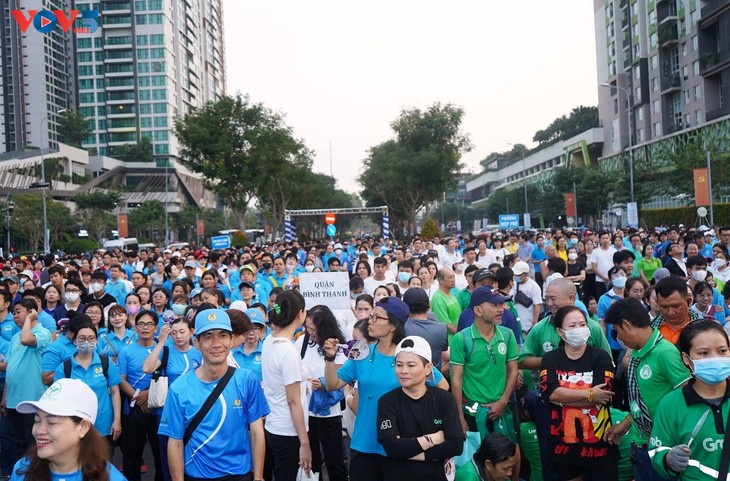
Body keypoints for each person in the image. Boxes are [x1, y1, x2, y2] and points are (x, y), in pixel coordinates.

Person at [323, 296, 448, 481]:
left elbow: (442, 387)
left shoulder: (410, 355)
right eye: (370, 316)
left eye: (376, 317)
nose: (369, 321)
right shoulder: (361, 352)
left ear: (393, 326)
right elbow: (333, 384)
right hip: (363, 443)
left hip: (399, 446)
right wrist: (330, 358)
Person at [159, 308, 269, 481]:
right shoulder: (179, 388)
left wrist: (259, 477)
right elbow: (175, 442)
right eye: (208, 336)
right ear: (197, 343)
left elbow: (256, 432)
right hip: (196, 476)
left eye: (223, 335)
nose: (216, 343)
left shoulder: (247, 379)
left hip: (239, 475)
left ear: (232, 339)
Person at [602, 298, 691, 481]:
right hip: (641, 447)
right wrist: (625, 425)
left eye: (618, 333)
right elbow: (640, 400)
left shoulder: (664, 353)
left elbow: (688, 397)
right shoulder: (637, 353)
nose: (620, 339)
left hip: (661, 450)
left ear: (626, 325)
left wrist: (663, 436)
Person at [540, 305, 618, 480]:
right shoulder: (551, 358)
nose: (579, 329)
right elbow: (550, 394)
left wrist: (562, 397)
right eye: (572, 326)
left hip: (599, 443)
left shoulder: (600, 357)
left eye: (582, 324)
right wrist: (589, 394)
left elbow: (603, 397)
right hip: (564, 445)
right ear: (560, 332)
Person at [648, 320, 730, 480]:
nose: (715, 358)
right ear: (686, 359)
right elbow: (656, 451)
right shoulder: (671, 404)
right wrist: (668, 460)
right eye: (703, 353)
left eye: (722, 351)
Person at [376, 336, 464, 481]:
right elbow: (391, 446)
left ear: (428, 368)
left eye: (411, 365)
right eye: (399, 365)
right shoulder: (387, 401)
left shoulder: (444, 399)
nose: (403, 371)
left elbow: (455, 445)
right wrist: (432, 439)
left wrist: (409, 451)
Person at [11, 378, 126, 481]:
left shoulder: (110, 477)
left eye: (52, 422)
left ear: (83, 427)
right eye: (37, 420)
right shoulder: (22, 470)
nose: (39, 431)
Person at [451, 286, 519, 443]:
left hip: (502, 410)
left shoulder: (507, 335)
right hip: (473, 414)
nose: (501, 309)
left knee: (510, 452)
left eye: (501, 304)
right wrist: (460, 417)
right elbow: (456, 380)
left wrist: (502, 402)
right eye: (494, 305)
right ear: (478, 310)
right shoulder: (461, 339)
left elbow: (513, 371)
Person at [262, 290, 312, 480]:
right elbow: (293, 402)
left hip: (274, 425)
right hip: (288, 431)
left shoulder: (270, 339)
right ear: (300, 313)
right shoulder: (288, 351)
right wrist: (305, 443)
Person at [295, 305, 348, 481]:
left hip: (328, 412)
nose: (310, 332)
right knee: (311, 460)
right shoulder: (302, 342)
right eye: (307, 328)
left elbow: (342, 376)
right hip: (305, 410)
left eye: (313, 329)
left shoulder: (337, 345)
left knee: (334, 459)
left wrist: (325, 383)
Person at [118, 310, 163, 481]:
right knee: (131, 456)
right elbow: (121, 380)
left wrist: (149, 395)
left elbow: (167, 377)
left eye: (150, 324)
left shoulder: (163, 350)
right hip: (133, 409)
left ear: (156, 328)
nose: (145, 327)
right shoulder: (126, 351)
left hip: (158, 408)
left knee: (159, 455)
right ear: (135, 327)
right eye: (141, 324)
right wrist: (138, 397)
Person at [403, 288, 448, 369]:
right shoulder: (442, 328)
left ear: (405, 307)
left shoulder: (403, 328)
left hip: (407, 378)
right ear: (428, 306)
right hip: (434, 378)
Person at [651, 276, 702, 345]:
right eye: (664, 307)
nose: (671, 312)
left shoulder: (703, 330)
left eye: (676, 306)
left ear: (689, 301)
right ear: (657, 303)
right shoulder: (650, 330)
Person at [431, 267, 460, 341]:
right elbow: (447, 325)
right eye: (450, 277)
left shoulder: (451, 294)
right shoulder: (438, 299)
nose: (453, 280)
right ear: (441, 280)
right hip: (450, 341)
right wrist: (462, 335)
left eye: (453, 277)